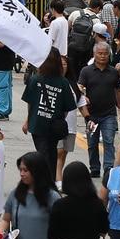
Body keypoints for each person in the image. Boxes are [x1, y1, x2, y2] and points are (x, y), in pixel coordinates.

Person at [21, 49, 77, 179]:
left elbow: (30, 102)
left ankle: (44, 181)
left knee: (44, 154)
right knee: (50, 154)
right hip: (54, 127)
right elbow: (67, 107)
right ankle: (48, 181)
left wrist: (28, 120)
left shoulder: (35, 79)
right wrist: (59, 117)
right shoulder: (63, 83)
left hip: (37, 124)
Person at [78, 42, 120, 178]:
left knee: (109, 141)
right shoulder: (86, 71)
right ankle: (94, 168)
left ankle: (108, 168)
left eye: (105, 53)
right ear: (94, 54)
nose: (103, 56)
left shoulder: (113, 72)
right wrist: (82, 94)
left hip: (109, 114)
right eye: (100, 53)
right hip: (91, 115)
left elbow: (118, 91)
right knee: (92, 143)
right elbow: (79, 86)